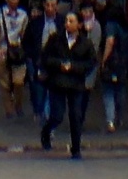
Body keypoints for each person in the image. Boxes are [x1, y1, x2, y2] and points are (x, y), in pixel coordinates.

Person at [40, 9, 98, 157]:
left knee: (76, 116)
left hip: (76, 84)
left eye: (71, 21)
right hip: (58, 82)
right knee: (57, 115)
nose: (67, 24)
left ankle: (76, 149)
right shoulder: (55, 39)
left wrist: (74, 67)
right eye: (66, 21)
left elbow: (91, 63)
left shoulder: (86, 43)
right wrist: (60, 64)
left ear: (79, 25)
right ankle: (46, 132)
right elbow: (46, 58)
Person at [25, 0, 62, 128]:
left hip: (56, 62)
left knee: (52, 92)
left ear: (57, 6)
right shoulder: (35, 23)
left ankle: (48, 119)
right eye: (48, 5)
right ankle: (41, 112)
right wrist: (31, 57)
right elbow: (27, 42)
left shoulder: (62, 22)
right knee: (39, 92)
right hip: (39, 62)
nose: (50, 8)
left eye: (53, 5)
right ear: (43, 5)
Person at [0, 0, 30, 119]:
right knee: (4, 82)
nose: (15, 1)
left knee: (18, 81)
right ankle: (9, 109)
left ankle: (18, 105)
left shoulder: (23, 15)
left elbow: (24, 34)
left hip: (17, 49)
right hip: (3, 48)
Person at [99, 0, 128, 132]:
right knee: (120, 91)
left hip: (112, 63)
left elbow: (110, 42)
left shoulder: (110, 25)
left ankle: (110, 120)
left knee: (108, 92)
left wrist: (103, 60)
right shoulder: (125, 27)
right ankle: (119, 117)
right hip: (124, 63)